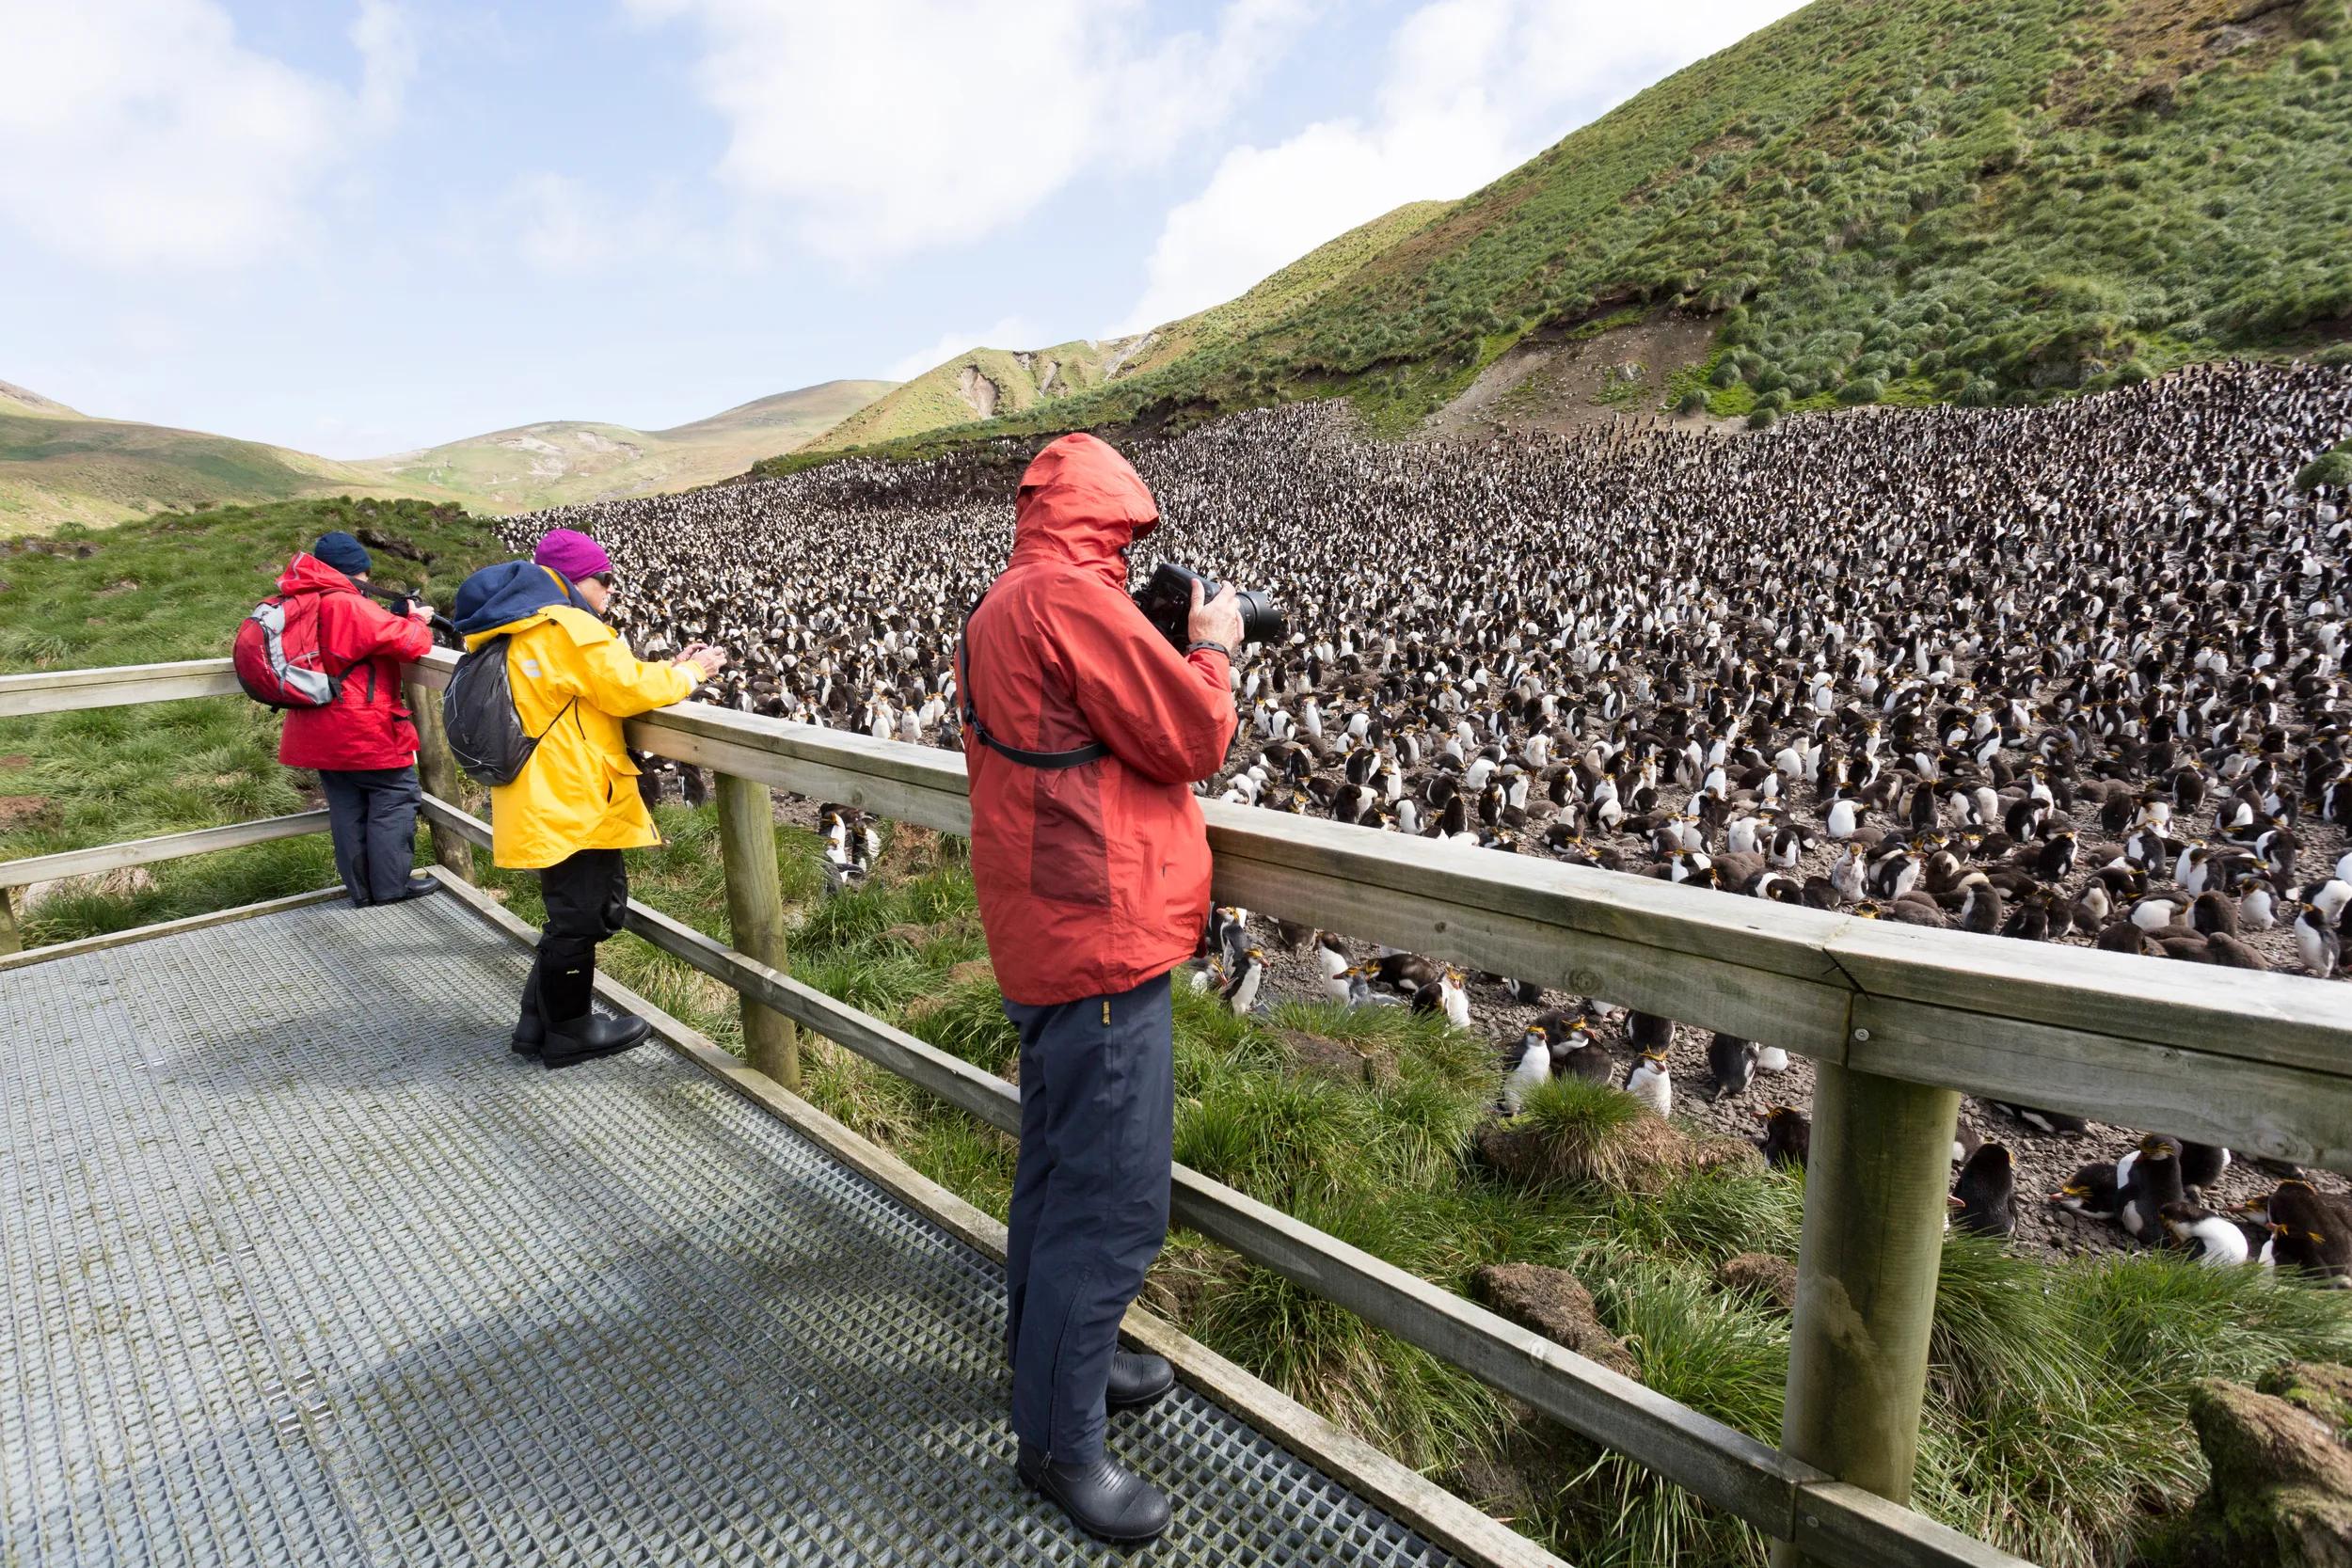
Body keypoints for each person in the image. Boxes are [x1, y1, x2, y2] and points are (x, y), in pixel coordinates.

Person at [961, 433, 1242, 1543]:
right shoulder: (1071, 600)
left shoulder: (1003, 601)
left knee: (1053, 1172)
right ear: (1107, 519)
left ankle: (1048, 1365)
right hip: (1101, 941)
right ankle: (1059, 1443)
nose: (1131, 555)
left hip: (1043, 928)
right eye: (1128, 536)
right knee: (1112, 1204)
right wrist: (1210, 647)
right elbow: (1194, 733)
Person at [450, 528, 727, 1069]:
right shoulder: (566, 625)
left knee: (569, 912)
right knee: (585, 914)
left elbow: (596, 682)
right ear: (578, 581)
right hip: (573, 795)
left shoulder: (517, 625)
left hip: (537, 792)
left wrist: (665, 667)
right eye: (604, 580)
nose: (610, 591)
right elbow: (625, 689)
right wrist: (694, 673)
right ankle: (570, 1031)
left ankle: (537, 1024)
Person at [276, 530, 438, 906]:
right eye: (365, 574)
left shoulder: (302, 598)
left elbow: (353, 638)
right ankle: (390, 888)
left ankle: (362, 892)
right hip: (359, 724)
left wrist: (393, 616)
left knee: (347, 806)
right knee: (394, 795)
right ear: (355, 571)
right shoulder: (346, 602)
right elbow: (412, 644)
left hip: (316, 723)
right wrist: (417, 621)